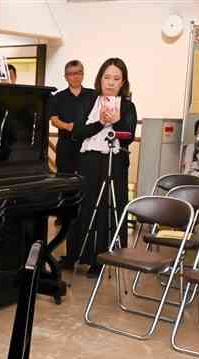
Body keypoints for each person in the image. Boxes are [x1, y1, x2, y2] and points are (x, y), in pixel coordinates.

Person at [71, 57, 137, 277]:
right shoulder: (88, 101)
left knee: (106, 209)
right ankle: (79, 254)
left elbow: (128, 137)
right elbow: (77, 132)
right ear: (100, 79)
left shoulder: (128, 105)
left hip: (113, 160)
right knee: (86, 206)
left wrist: (116, 121)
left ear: (123, 82)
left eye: (116, 78)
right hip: (88, 160)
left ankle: (102, 257)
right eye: (107, 77)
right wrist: (100, 121)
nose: (111, 82)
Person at [48, 60, 96, 268]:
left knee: (86, 191)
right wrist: (68, 126)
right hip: (66, 146)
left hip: (88, 147)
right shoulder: (58, 97)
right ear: (66, 76)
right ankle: (65, 224)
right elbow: (53, 119)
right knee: (67, 189)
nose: (75, 76)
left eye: (78, 73)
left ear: (83, 75)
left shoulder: (93, 95)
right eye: (71, 73)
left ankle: (85, 246)